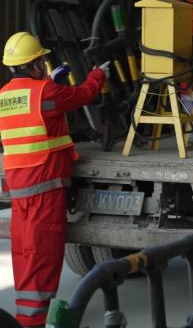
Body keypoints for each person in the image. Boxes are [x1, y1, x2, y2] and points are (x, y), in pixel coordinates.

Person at [1, 32, 109, 327]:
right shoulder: (45, 93)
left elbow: (40, 113)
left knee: (26, 256)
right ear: (35, 63)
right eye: (42, 62)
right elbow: (82, 95)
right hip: (45, 190)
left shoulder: (5, 96)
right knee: (43, 258)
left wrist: (52, 83)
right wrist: (99, 75)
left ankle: (25, 318)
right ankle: (33, 323)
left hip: (20, 191)